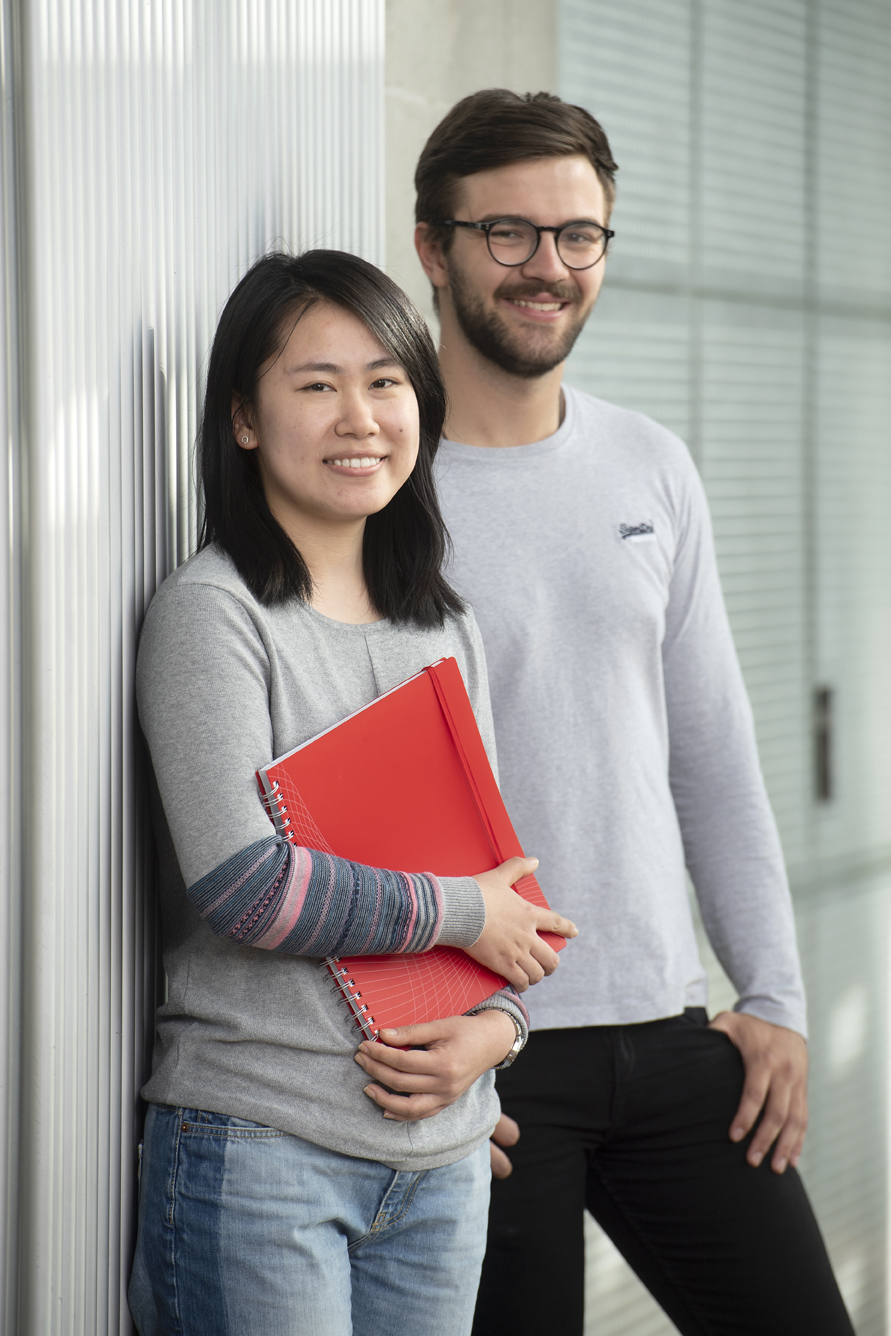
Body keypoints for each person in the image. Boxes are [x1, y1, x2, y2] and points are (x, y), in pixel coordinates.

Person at [412, 89, 855, 1335]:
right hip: (487, 1053)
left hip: (669, 1033)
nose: (546, 267)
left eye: (577, 235)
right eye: (507, 233)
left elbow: (710, 749)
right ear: (432, 245)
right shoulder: (385, 480)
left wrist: (771, 994)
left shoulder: (651, 462)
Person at [127, 248, 578, 1336]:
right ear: (243, 417)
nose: (360, 417)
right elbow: (249, 888)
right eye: (316, 385)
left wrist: (500, 1034)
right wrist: (463, 909)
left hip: (444, 1163)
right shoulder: (213, 614)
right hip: (261, 1151)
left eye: (385, 382)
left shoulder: (444, 625)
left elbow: (509, 888)